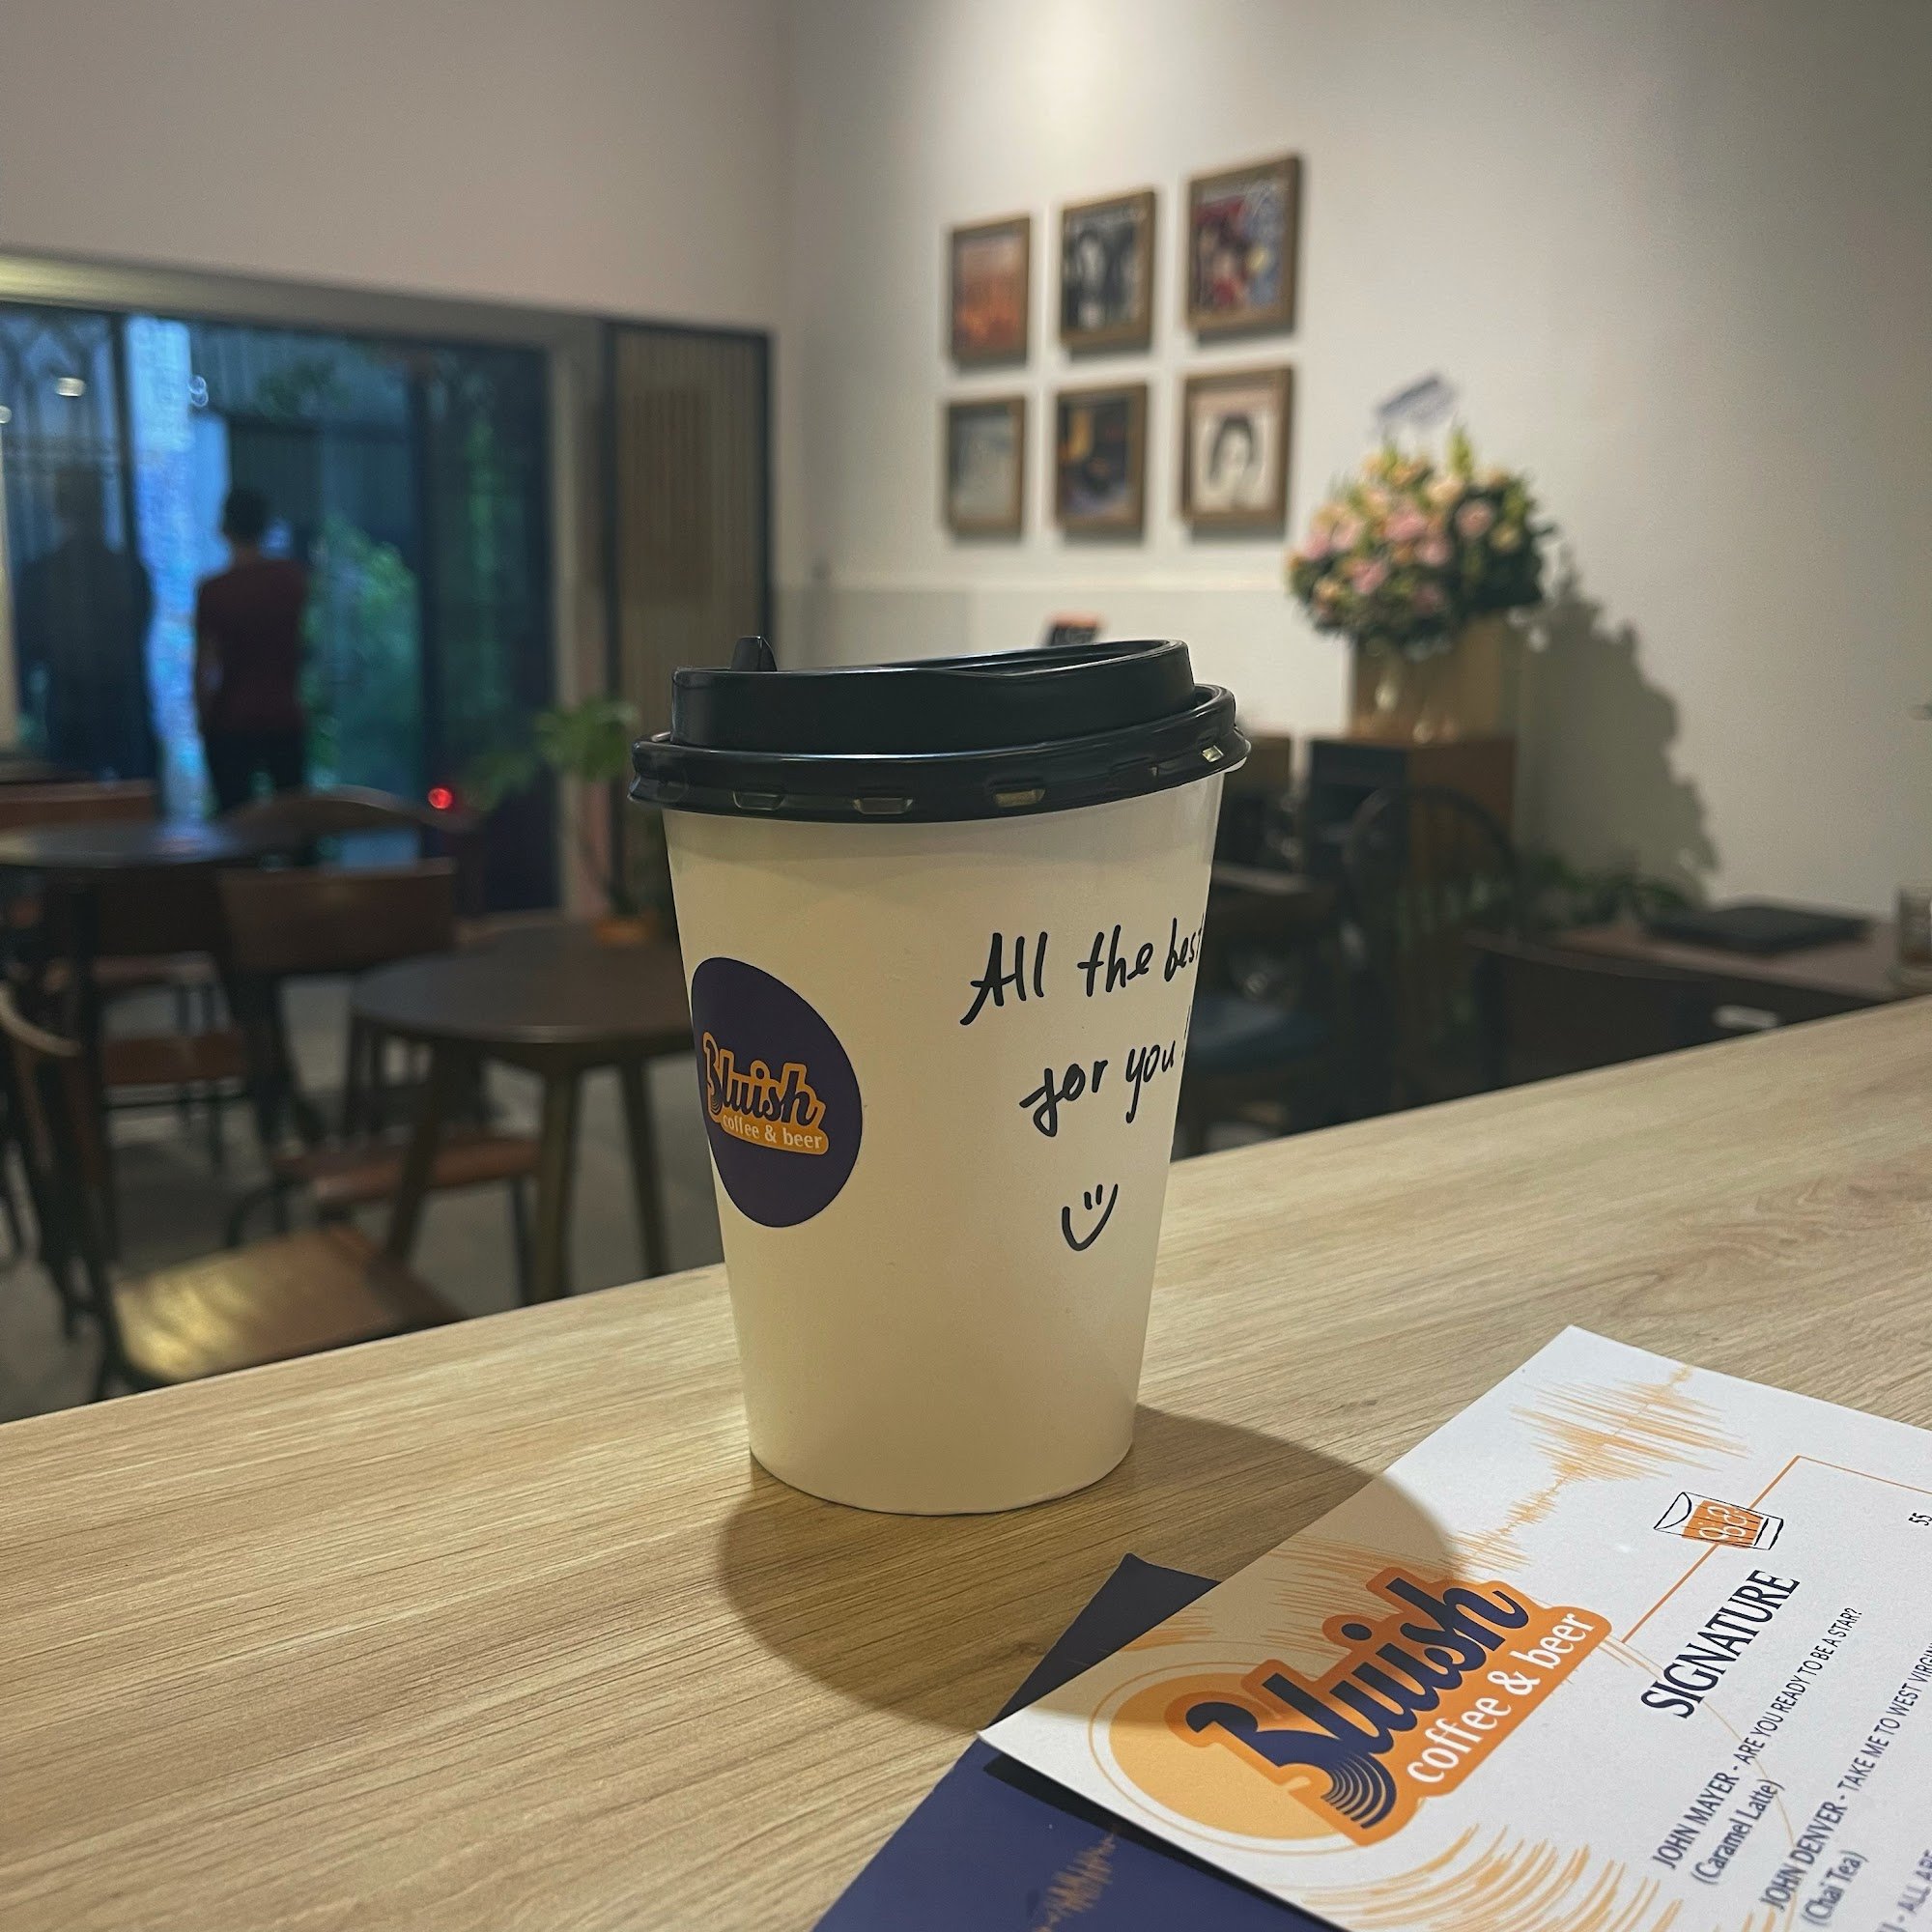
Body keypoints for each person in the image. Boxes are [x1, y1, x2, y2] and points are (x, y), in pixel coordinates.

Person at [12, 466, 156, 779]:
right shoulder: (130, 571)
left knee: (74, 808)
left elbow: (28, 649)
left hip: (68, 712)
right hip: (123, 712)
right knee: (134, 811)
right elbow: (137, 636)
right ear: (101, 507)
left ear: (58, 509)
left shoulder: (39, 575)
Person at [195, 486, 309, 812]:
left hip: (232, 717)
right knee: (295, 821)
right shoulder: (290, 580)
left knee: (235, 825)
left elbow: (205, 665)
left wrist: (204, 719)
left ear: (224, 530)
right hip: (283, 712)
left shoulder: (215, 591)